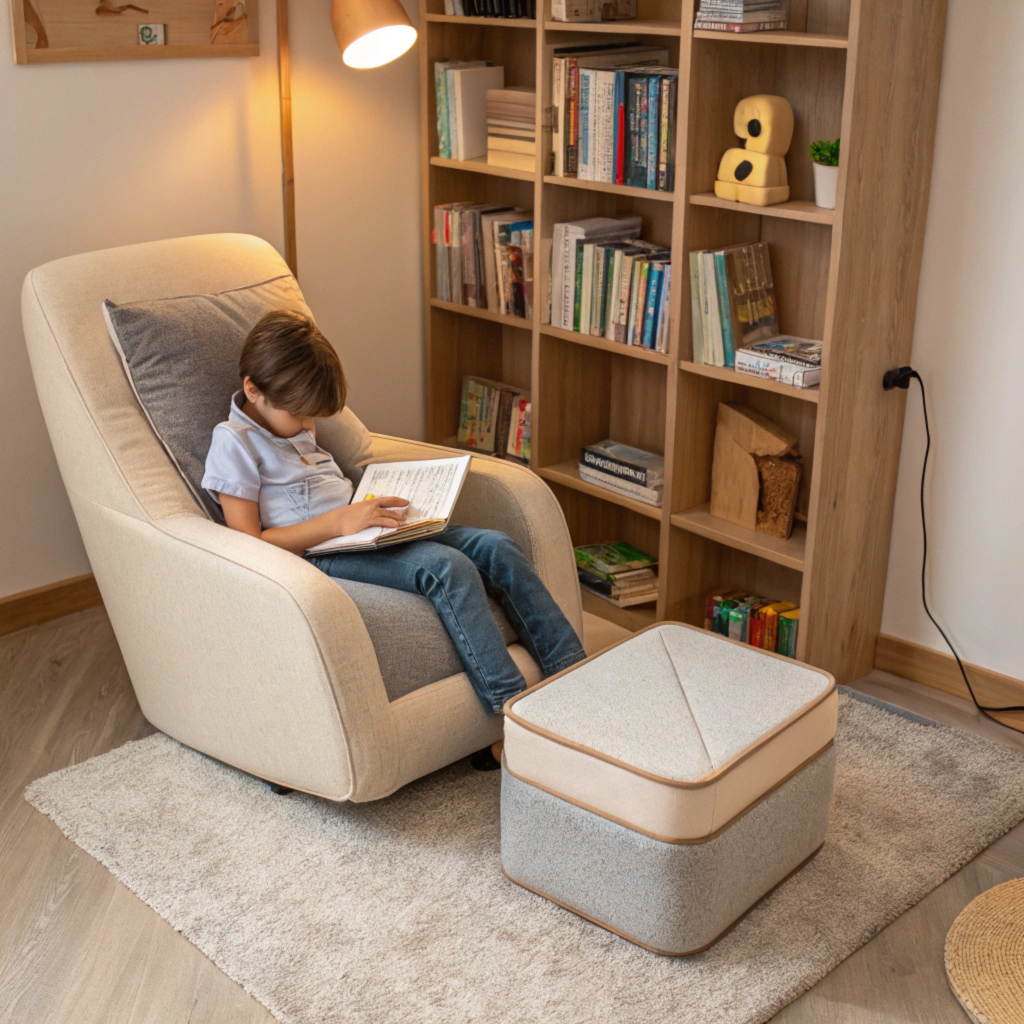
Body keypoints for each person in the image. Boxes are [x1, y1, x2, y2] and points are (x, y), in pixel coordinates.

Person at [201, 309, 586, 725]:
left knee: (497, 546)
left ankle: (574, 682)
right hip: (324, 552)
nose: (306, 425)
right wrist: (340, 523)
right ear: (253, 390)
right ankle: (513, 718)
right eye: (298, 415)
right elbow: (248, 542)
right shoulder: (233, 442)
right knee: (447, 568)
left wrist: (370, 508)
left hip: (365, 531)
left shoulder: (292, 414)